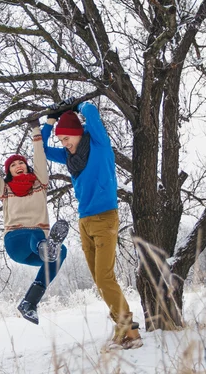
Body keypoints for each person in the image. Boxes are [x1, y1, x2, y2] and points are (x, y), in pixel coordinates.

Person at [41, 99, 143, 349]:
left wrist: (76, 107)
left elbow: (92, 113)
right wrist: (50, 121)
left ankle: (128, 330)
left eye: (66, 138)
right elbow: (41, 149)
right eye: (62, 140)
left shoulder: (98, 143)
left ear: (77, 133)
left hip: (105, 217)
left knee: (105, 277)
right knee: (99, 279)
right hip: (84, 221)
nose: (64, 144)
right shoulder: (68, 157)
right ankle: (124, 327)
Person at [0, 118, 68, 325]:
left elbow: (39, 158)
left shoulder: (40, 183)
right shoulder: (5, 190)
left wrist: (36, 129)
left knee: (61, 253)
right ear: (9, 171)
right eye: (13, 165)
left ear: (27, 167)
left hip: (36, 247)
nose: (18, 165)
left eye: (21, 163)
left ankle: (30, 302)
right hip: (16, 241)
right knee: (36, 234)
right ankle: (46, 246)